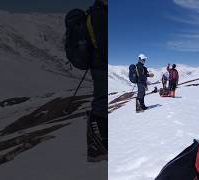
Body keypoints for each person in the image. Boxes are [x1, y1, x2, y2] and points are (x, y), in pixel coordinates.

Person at [86, 0, 108, 162]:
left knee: (101, 103)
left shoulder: (98, 12)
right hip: (101, 66)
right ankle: (96, 148)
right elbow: (103, 44)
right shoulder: (100, 14)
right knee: (101, 105)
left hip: (98, 65)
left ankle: (101, 145)